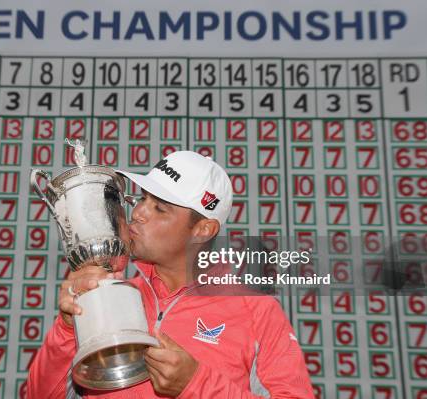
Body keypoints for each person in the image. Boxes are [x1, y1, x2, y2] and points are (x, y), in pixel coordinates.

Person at [27, 151, 314, 398]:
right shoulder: (106, 295)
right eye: (142, 199)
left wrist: (196, 384)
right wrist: (66, 329)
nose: (138, 213)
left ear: (203, 230)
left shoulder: (257, 311)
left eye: (159, 208)